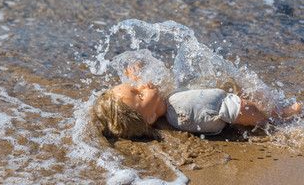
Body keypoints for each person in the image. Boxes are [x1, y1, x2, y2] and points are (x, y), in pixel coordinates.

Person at [94, 66, 302, 138]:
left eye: (135, 85)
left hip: (227, 110)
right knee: (262, 106)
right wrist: (266, 118)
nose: (142, 86)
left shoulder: (166, 113)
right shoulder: (182, 106)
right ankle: (283, 116)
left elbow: (143, 104)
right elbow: (235, 109)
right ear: (149, 118)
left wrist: (138, 78)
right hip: (241, 110)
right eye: (139, 94)